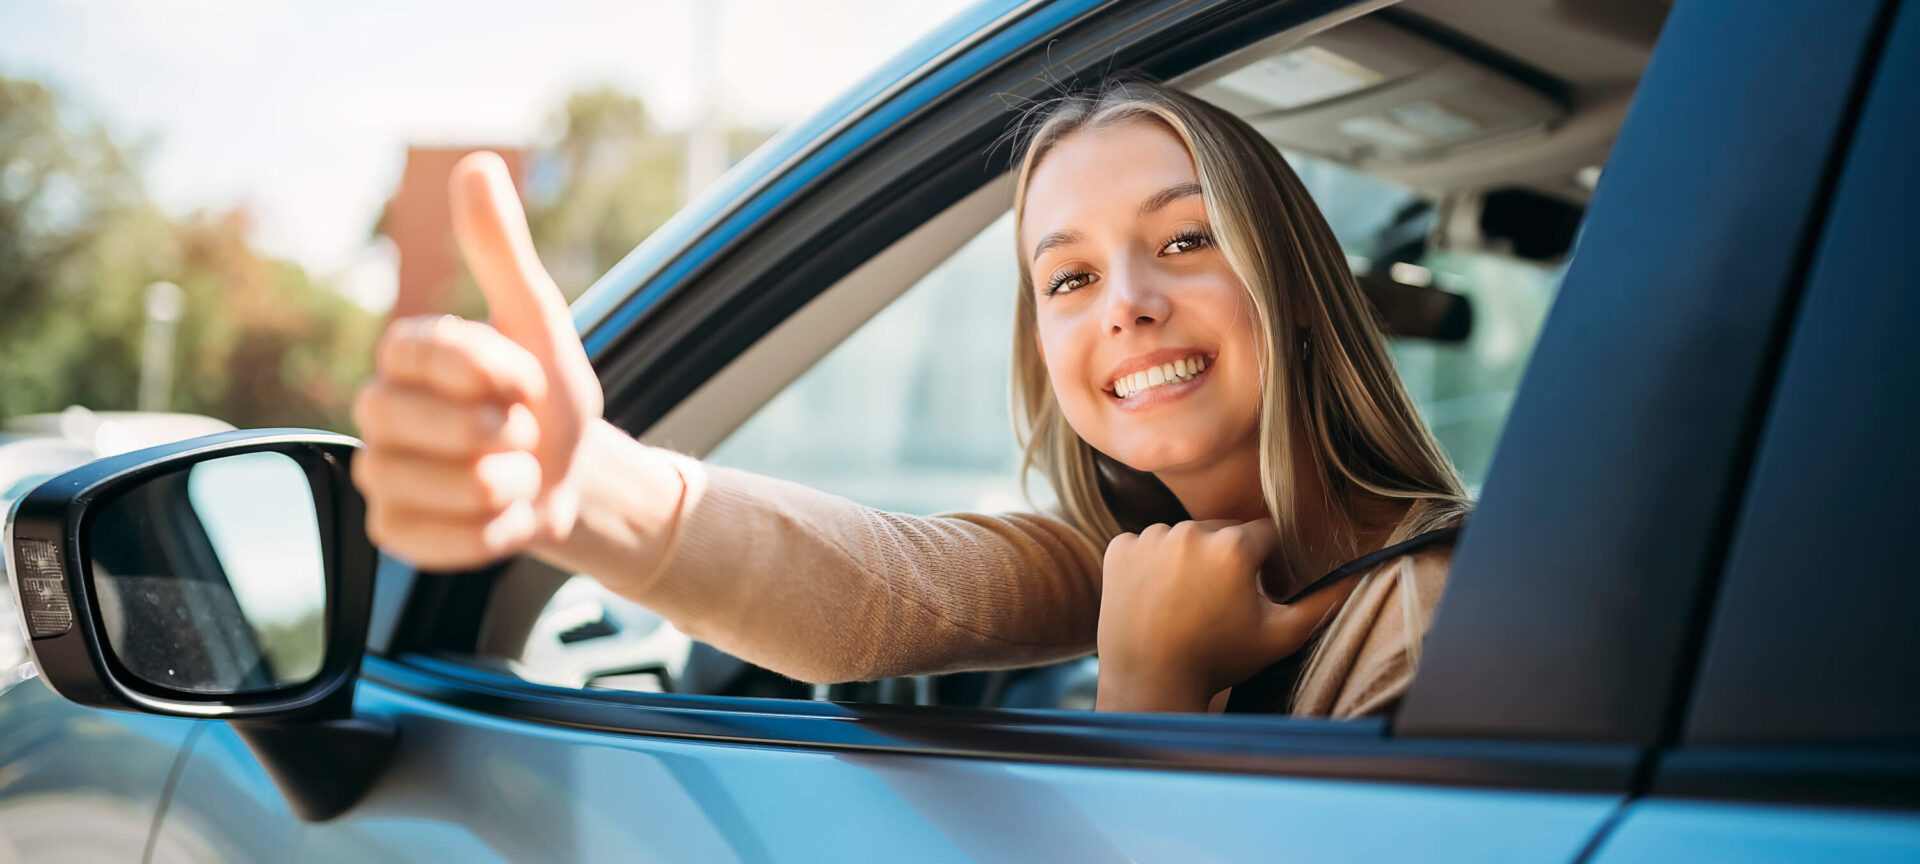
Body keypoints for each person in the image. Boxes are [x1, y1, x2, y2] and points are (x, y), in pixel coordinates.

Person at [349, 78, 1470, 717]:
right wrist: (587, 485)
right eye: (1068, 278)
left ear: (1302, 290)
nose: (1124, 304)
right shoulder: (1117, 559)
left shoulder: (1428, 617)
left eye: (1185, 239)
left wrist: (1152, 686)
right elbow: (885, 595)